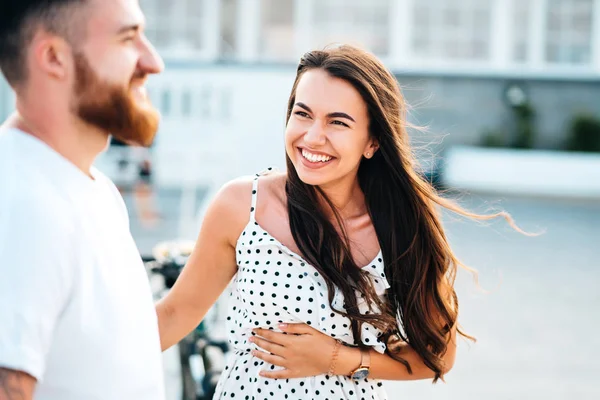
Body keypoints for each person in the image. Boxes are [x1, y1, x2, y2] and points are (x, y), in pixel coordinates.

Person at [155, 45, 517, 399]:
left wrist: (335, 358)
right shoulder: (240, 205)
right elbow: (174, 314)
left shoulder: (399, 224)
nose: (312, 136)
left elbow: (436, 356)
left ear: (373, 141)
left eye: (338, 122)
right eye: (302, 114)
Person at [0, 0, 165, 398]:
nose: (152, 61)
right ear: (54, 57)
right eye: (127, 38)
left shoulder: (94, 191)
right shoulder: (21, 202)